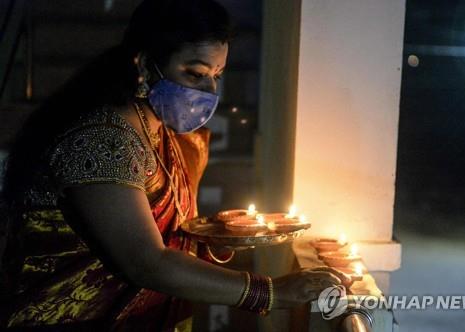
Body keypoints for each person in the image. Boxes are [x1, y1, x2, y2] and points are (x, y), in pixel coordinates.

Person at [0, 0, 349, 330]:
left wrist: (210, 237)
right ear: (143, 64)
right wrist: (271, 292)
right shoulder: (99, 139)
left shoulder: (163, 134)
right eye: (195, 74)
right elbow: (145, 262)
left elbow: (164, 238)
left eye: (218, 75)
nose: (210, 90)